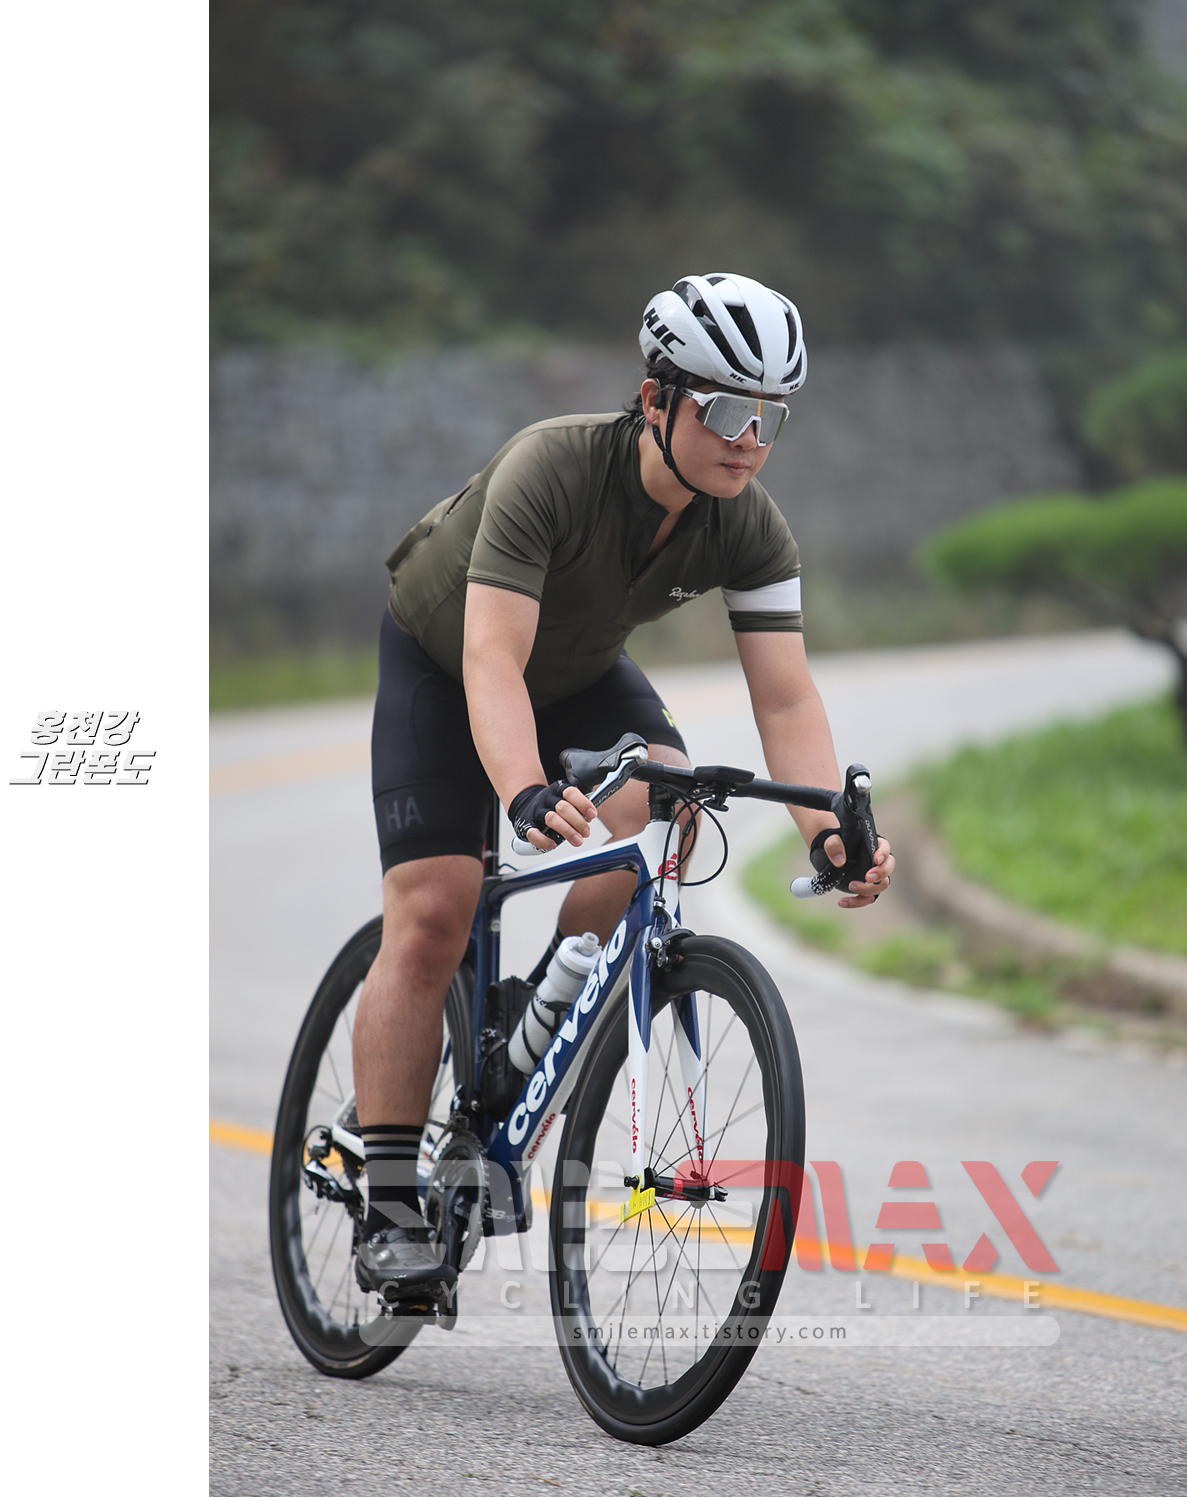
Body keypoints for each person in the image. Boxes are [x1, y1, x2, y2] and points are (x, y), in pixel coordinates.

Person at [351, 272, 895, 1295]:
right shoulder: (551, 467)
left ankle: (534, 1023)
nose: (748, 440)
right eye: (725, 411)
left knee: (673, 798)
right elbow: (490, 660)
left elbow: (785, 698)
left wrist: (830, 831)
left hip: (578, 673)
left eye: (770, 417)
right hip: (447, 659)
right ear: (656, 399)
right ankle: (385, 1202)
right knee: (433, 914)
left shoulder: (749, 523)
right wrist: (523, 789)